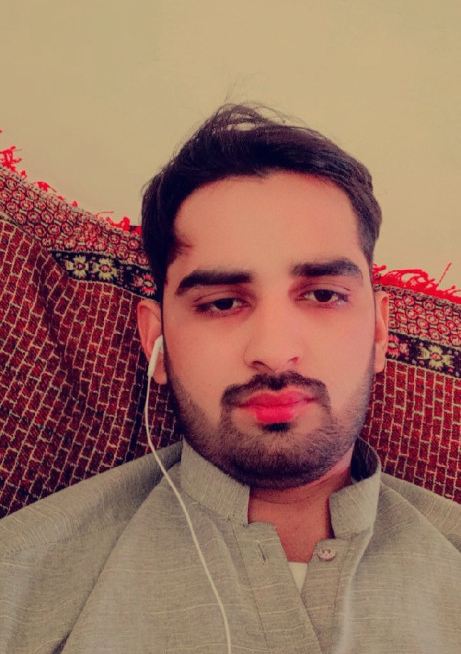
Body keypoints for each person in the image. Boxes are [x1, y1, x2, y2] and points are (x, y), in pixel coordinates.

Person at [0, 104, 459, 654]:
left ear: (380, 333)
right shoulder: (19, 585)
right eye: (221, 303)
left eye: (322, 295)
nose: (274, 353)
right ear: (156, 341)